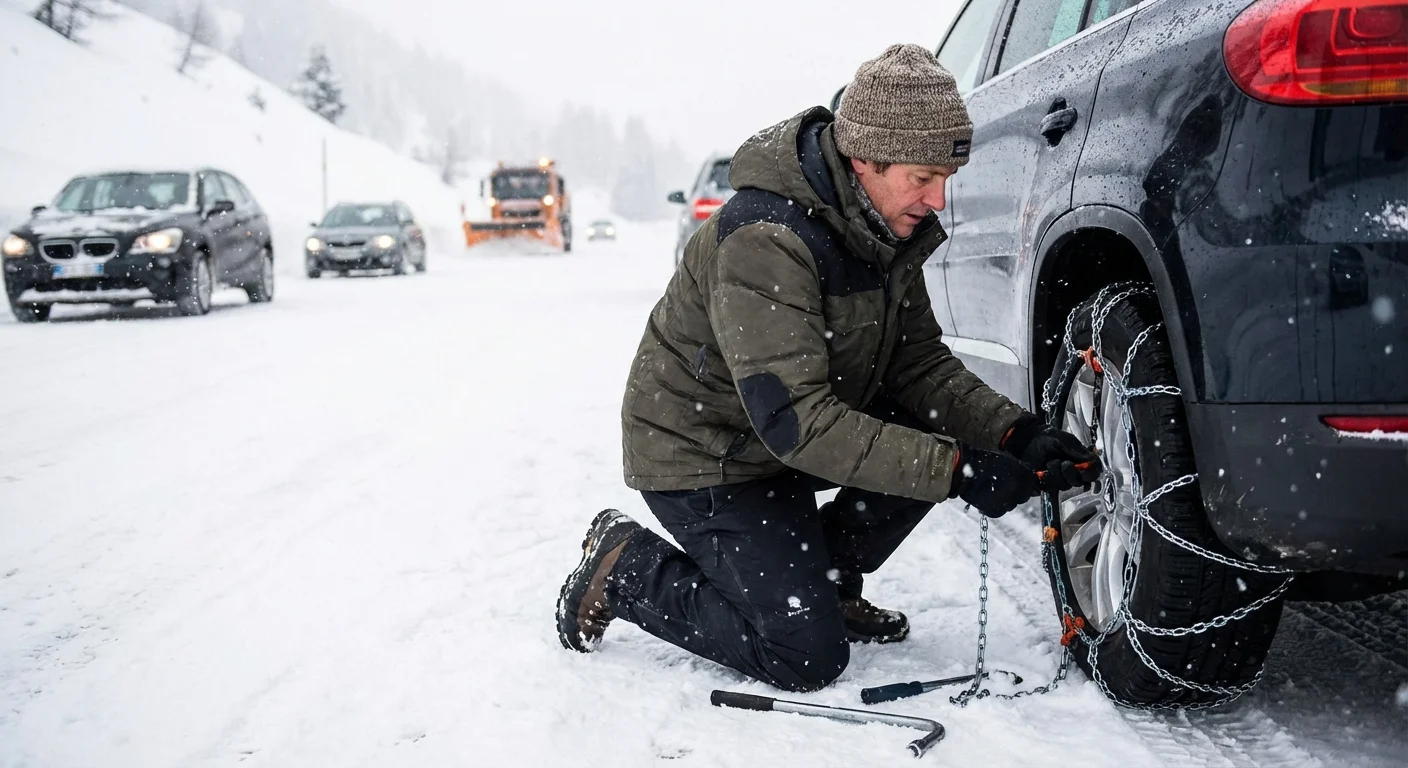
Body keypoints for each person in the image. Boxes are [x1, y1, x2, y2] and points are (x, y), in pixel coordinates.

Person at [555, 44, 1101, 693]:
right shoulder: (766, 239)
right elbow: (799, 423)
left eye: (948, 176)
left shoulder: (883, 227)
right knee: (805, 656)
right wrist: (958, 471)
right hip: (709, 457)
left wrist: (1014, 433)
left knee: (923, 420)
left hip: (776, 447)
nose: (938, 198)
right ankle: (624, 567)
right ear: (865, 158)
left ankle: (831, 582)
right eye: (923, 176)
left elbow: (920, 366)